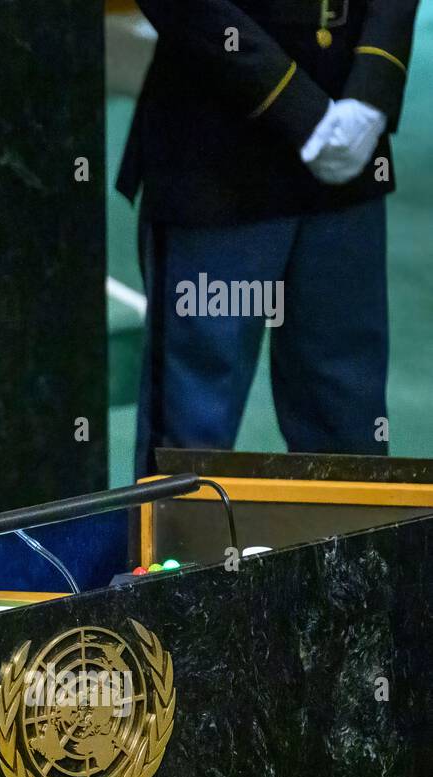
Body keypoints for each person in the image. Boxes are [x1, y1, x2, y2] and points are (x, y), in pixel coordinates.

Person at [119, 1, 419, 476]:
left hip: (350, 146)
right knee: (194, 441)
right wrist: (301, 110)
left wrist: (372, 92)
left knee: (349, 427)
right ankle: (189, 556)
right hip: (218, 154)